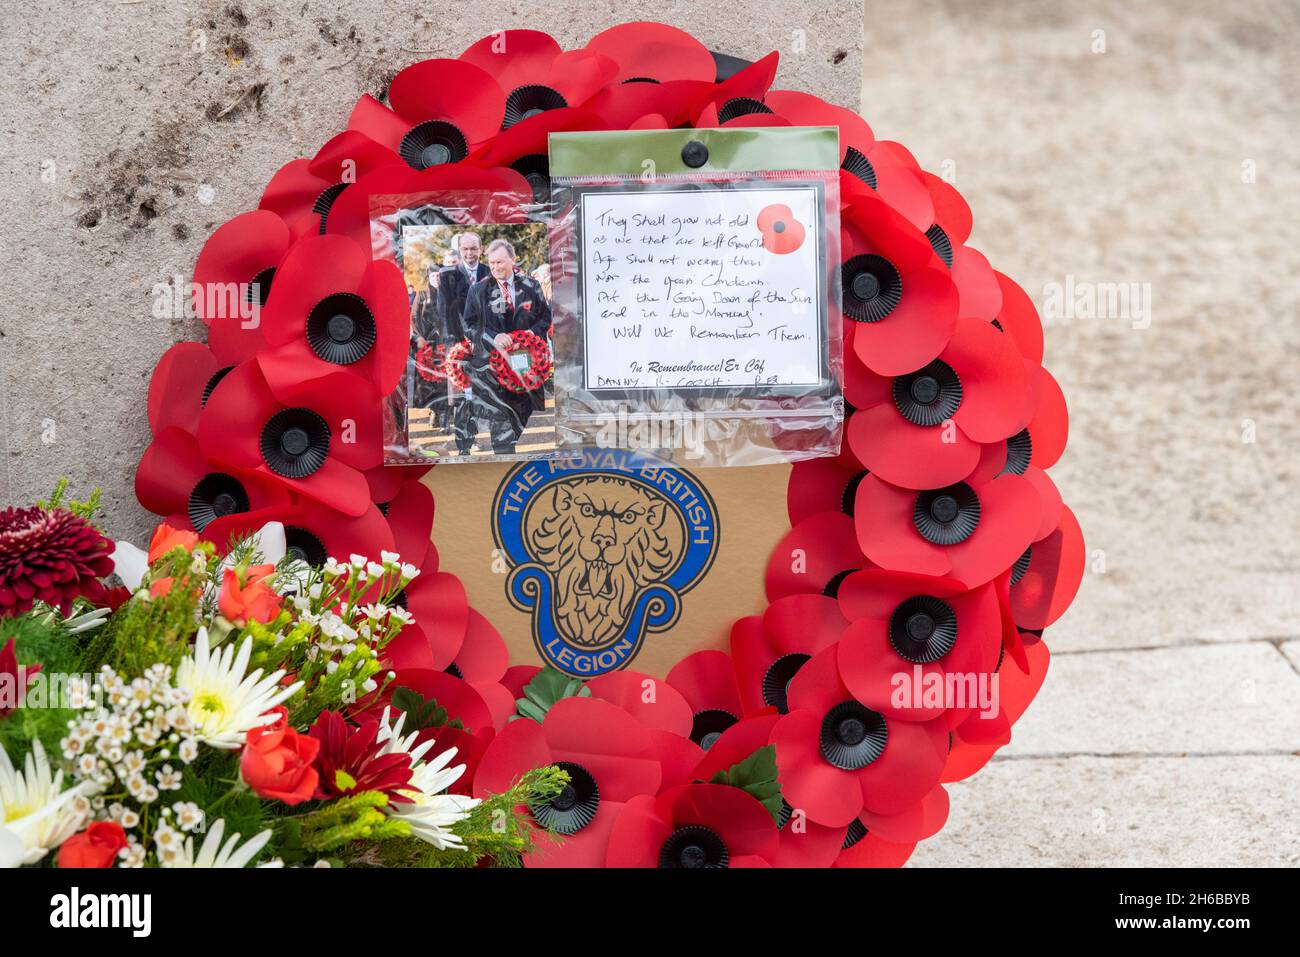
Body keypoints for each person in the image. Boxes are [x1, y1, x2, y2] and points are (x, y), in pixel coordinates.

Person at [461, 238, 552, 454]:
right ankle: (503, 451)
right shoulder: (478, 290)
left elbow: (545, 317)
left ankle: (509, 440)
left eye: (500, 262)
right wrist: (493, 337)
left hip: (525, 366)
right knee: (501, 421)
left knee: (522, 412)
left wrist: (532, 332)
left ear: (513, 260)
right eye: (491, 263)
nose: (495, 267)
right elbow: (469, 325)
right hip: (493, 368)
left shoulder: (531, 286)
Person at [435, 232, 489, 454]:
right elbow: (442, 312)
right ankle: (464, 445)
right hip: (458, 346)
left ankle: (477, 436)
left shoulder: (489, 271)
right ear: (459, 250)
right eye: (465, 249)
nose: (469, 253)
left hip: (485, 345)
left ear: (481, 248)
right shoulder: (447, 276)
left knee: (480, 395)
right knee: (461, 397)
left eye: (473, 248)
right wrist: (455, 343)